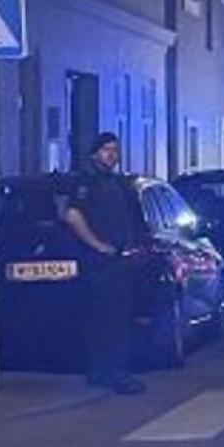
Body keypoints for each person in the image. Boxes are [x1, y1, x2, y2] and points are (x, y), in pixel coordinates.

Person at [63, 132, 145, 395]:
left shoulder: (118, 183)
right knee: (107, 320)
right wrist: (97, 245)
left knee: (117, 317)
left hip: (120, 260)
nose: (112, 155)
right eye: (107, 150)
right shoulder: (87, 183)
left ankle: (111, 371)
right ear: (94, 154)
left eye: (115, 150)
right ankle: (111, 373)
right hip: (100, 262)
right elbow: (72, 216)